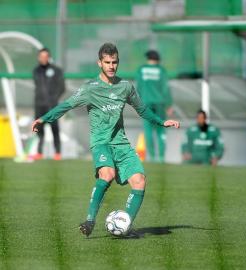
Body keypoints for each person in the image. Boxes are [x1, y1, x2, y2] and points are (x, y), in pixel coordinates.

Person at [31, 43, 180, 237]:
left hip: (122, 144)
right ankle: (90, 220)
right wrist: (43, 119)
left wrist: (161, 122)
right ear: (99, 63)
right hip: (101, 143)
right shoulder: (89, 89)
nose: (111, 66)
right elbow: (65, 106)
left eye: (114, 62)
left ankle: (124, 225)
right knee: (107, 174)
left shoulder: (125, 87)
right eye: (107, 62)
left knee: (140, 181)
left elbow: (142, 109)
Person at [135, 50, 173, 163]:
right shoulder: (161, 70)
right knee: (161, 129)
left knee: (148, 130)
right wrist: (169, 104)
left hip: (146, 103)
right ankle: (161, 157)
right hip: (160, 103)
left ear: (148, 58)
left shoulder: (141, 69)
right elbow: (166, 88)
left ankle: (151, 157)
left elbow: (139, 88)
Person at [32, 48, 65, 160]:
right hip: (39, 105)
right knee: (39, 130)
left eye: (46, 56)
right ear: (38, 57)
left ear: (49, 57)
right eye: (41, 56)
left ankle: (58, 153)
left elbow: (62, 87)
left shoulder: (56, 70)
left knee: (54, 129)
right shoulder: (36, 71)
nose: (43, 59)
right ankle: (39, 153)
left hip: (52, 106)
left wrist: (54, 99)